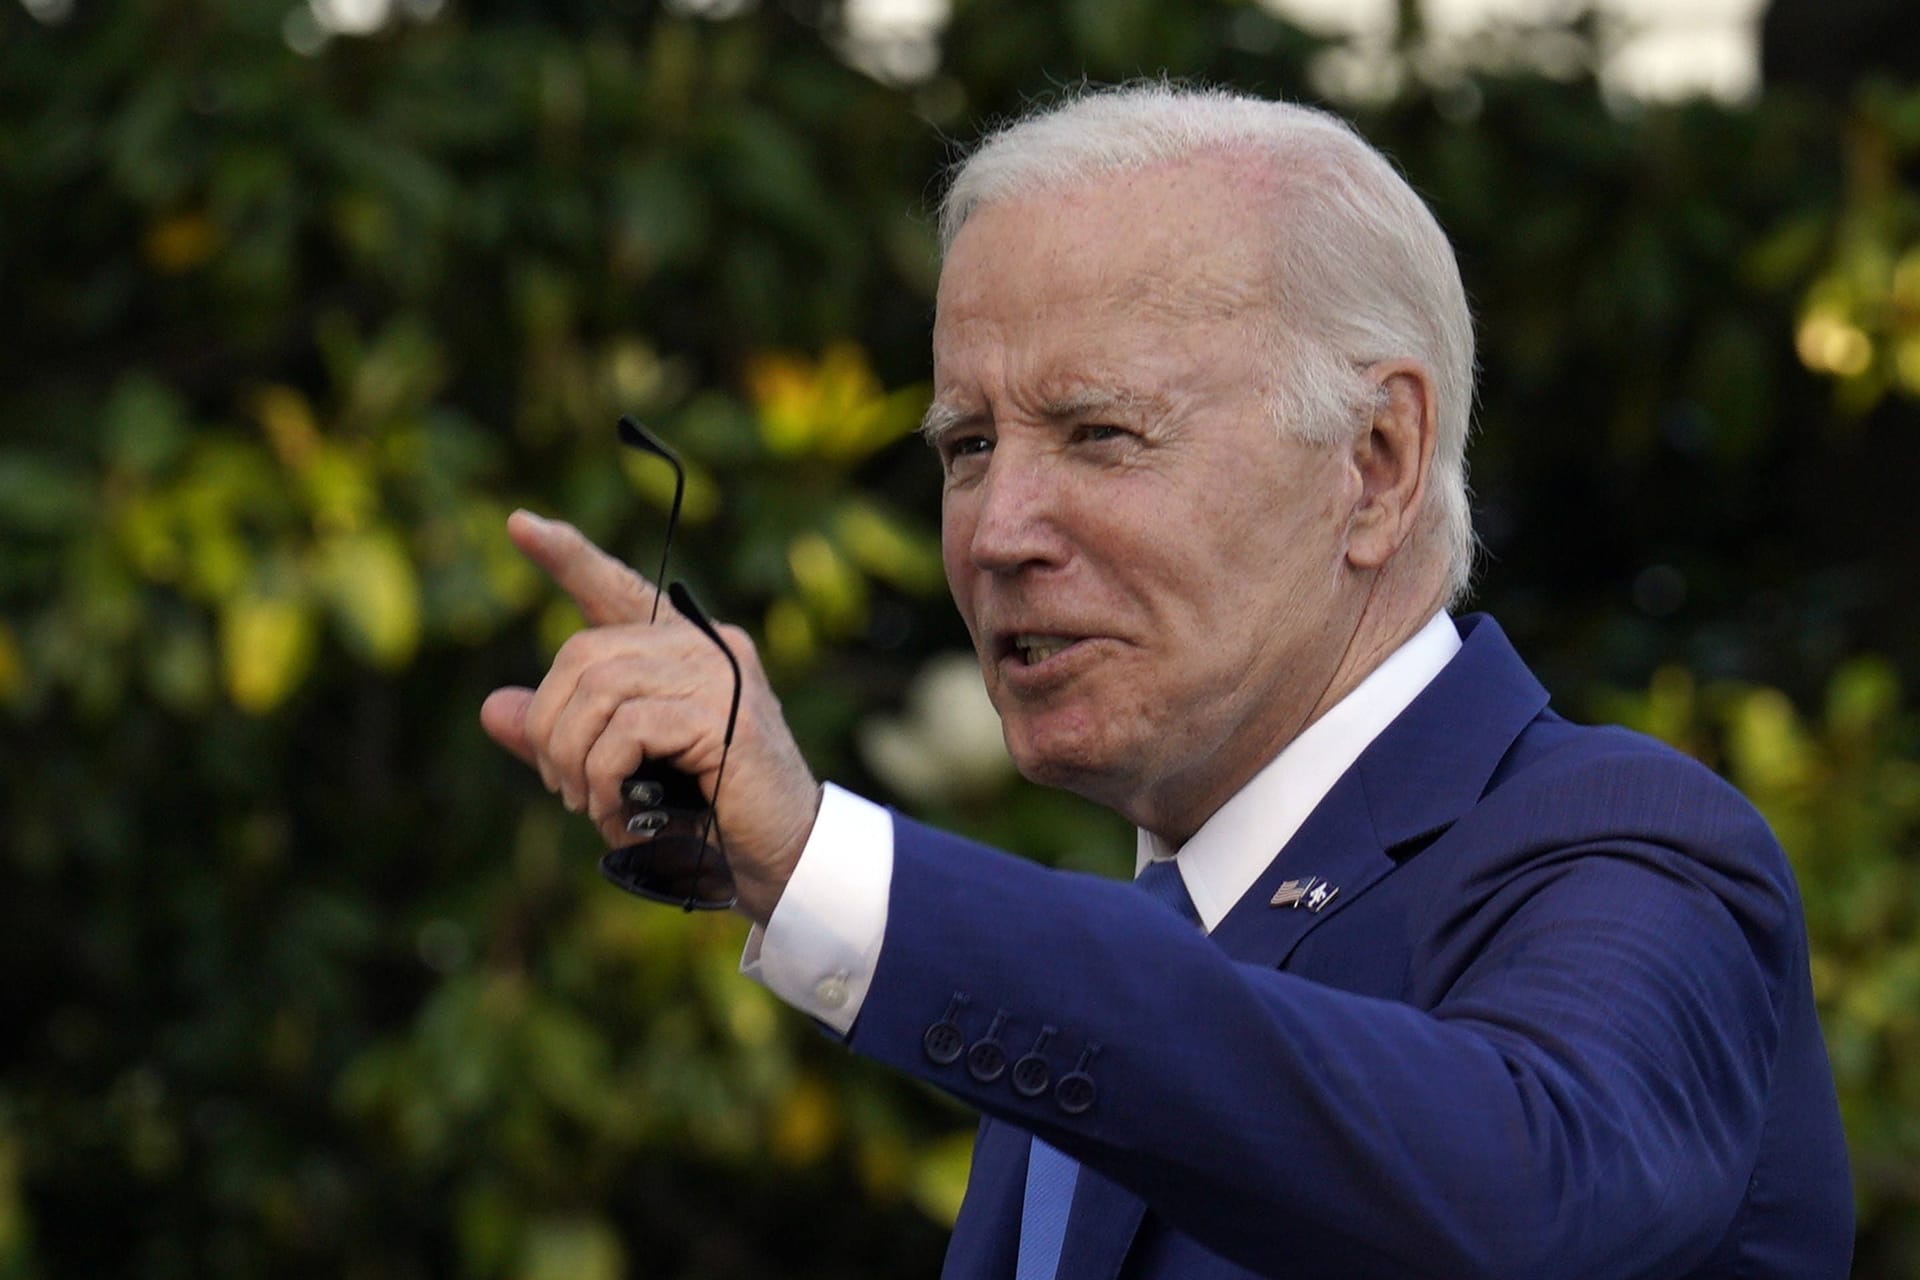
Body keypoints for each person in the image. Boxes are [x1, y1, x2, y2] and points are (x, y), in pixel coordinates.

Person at [480, 85, 1853, 1279]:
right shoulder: (1138, 949)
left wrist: (826, 860)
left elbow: (1513, 1198)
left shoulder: (1626, 847)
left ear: (1374, 463)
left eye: (1101, 433)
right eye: (967, 446)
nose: (1000, 528)